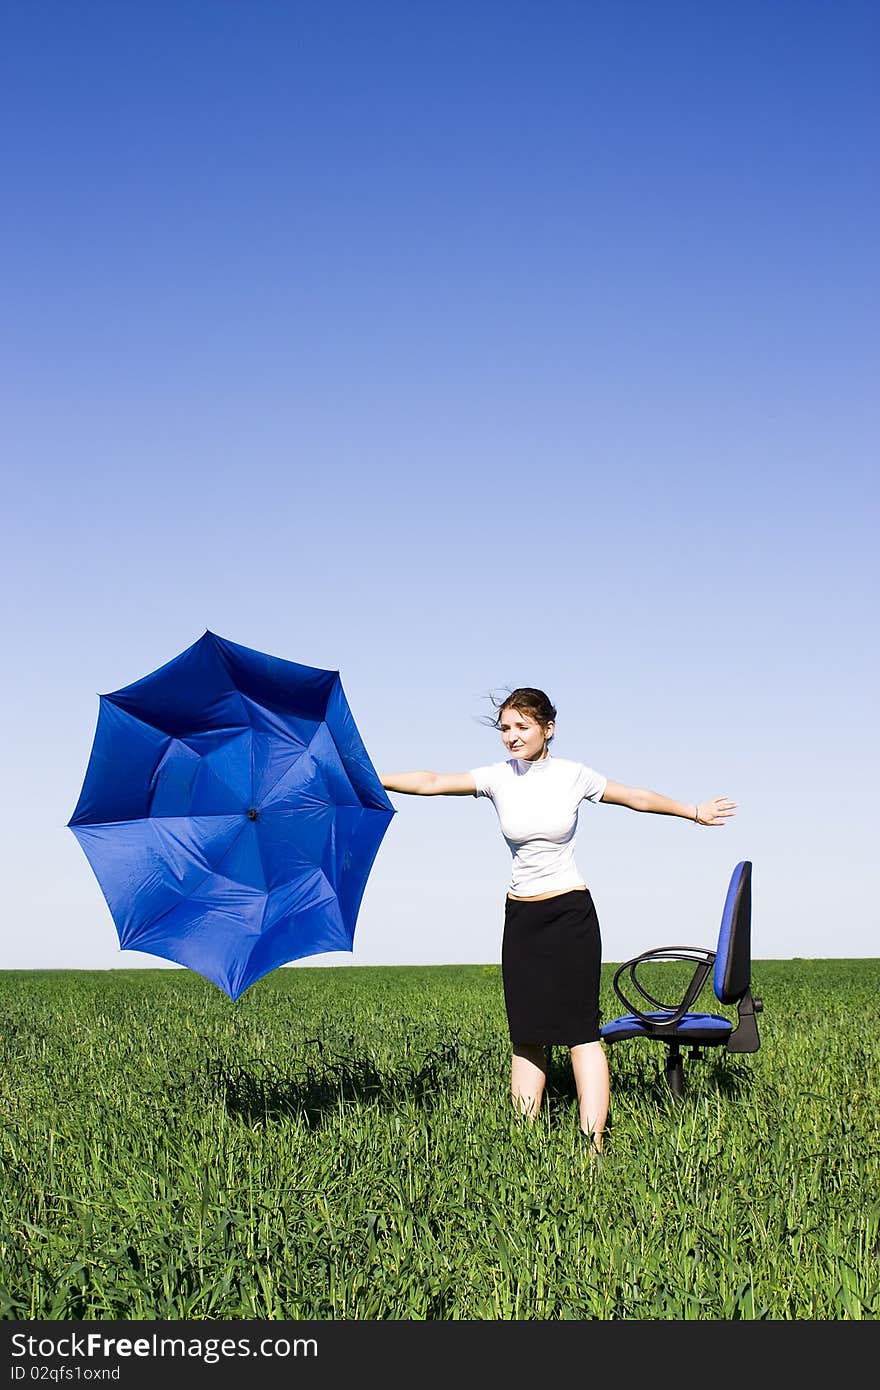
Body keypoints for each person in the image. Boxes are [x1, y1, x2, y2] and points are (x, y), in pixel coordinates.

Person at [380, 687, 736, 1155]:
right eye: (505, 728)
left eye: (522, 727)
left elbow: (635, 797)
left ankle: (594, 1146)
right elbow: (431, 782)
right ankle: (525, 1147)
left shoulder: (574, 776)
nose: (512, 737)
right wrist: (369, 777)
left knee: (579, 1033)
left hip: (570, 916)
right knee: (526, 1034)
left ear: (548, 729)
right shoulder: (496, 778)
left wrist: (693, 812)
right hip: (521, 918)